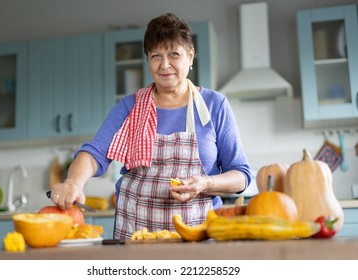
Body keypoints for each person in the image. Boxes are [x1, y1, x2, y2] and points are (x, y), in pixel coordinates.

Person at [51, 13, 251, 240]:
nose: (165, 65)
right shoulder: (129, 107)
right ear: (148, 60)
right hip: (135, 236)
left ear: (190, 56)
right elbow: (94, 154)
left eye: (174, 54)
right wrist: (73, 183)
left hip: (198, 239)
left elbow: (241, 176)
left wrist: (205, 184)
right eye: (156, 56)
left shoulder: (215, 105)